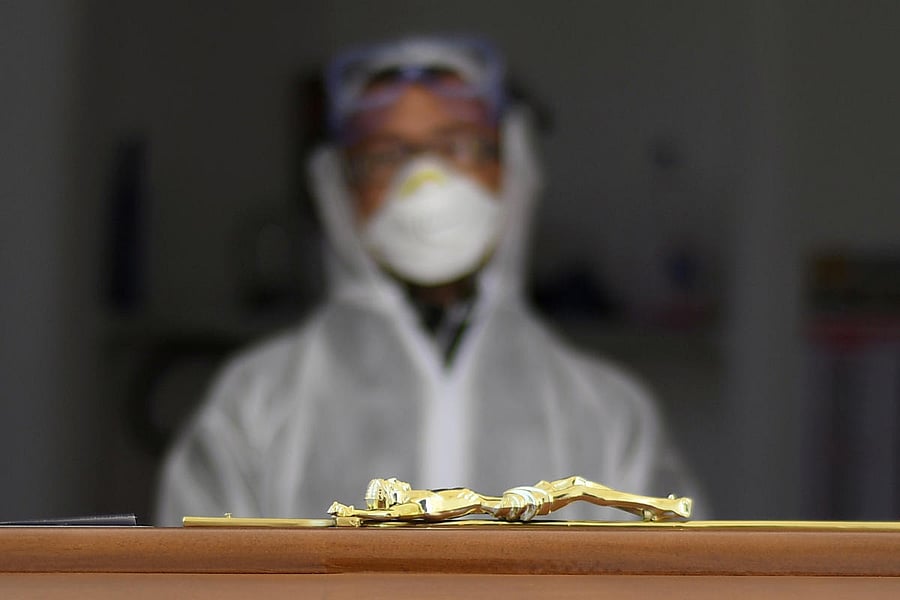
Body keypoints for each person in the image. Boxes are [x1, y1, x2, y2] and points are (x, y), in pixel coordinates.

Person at [155, 35, 703, 526]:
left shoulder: (608, 415)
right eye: (386, 156)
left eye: (460, 145)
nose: (426, 182)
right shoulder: (255, 407)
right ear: (337, 186)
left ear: (512, 165)